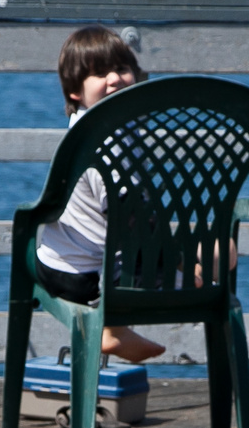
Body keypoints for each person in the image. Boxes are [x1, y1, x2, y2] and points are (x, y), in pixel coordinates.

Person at [33, 26, 166, 364]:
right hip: (89, 277)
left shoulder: (85, 127)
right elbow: (128, 216)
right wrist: (177, 257)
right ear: (74, 91)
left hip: (58, 261)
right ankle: (113, 330)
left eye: (122, 69)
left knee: (209, 254)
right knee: (214, 253)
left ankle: (119, 327)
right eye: (98, 74)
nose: (115, 79)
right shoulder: (105, 139)